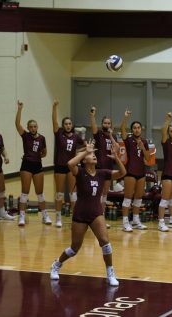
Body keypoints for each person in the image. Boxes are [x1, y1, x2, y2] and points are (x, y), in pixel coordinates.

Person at [50, 139, 126, 286]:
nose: (94, 156)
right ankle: (57, 264)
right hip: (80, 214)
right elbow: (70, 164)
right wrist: (86, 151)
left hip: (96, 213)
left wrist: (116, 157)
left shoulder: (102, 173)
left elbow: (123, 173)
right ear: (84, 160)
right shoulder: (80, 172)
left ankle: (110, 273)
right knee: (74, 248)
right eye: (91, 155)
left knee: (105, 243)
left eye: (94, 154)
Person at [52, 99, 85, 228]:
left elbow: (85, 145)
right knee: (59, 193)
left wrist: (81, 151)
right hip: (60, 166)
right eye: (65, 123)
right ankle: (58, 217)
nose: (68, 125)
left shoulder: (76, 137)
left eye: (70, 123)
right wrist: (54, 108)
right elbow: (54, 122)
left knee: (73, 193)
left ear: (72, 125)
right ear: (63, 125)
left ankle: (75, 218)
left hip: (72, 167)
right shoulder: (59, 133)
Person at [15, 100, 47, 226]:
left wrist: (40, 155)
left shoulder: (42, 138)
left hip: (38, 166)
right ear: (28, 128)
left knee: (40, 193)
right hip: (26, 166)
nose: (33, 128)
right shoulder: (25, 136)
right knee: (25, 192)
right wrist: (20, 109)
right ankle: (22, 216)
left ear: (37, 127)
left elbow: (44, 152)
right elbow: (17, 124)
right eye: (31, 126)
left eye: (35, 126)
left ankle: (45, 215)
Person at [120, 109, 150, 232]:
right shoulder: (129, 140)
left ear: (141, 129)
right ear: (132, 130)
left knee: (138, 197)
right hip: (130, 172)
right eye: (135, 128)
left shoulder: (144, 142)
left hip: (141, 173)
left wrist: (143, 148)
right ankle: (125, 221)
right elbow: (122, 130)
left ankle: (136, 220)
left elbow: (148, 158)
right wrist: (125, 118)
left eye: (138, 127)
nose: (137, 129)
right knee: (128, 197)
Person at [89, 106, 116, 228]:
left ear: (111, 125)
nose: (107, 124)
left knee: (105, 193)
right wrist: (93, 115)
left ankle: (102, 217)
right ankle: (94, 217)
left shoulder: (113, 136)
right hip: (99, 167)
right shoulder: (98, 134)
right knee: (97, 194)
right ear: (102, 124)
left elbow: (117, 149)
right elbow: (93, 126)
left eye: (109, 123)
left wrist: (111, 136)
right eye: (105, 122)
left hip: (109, 168)